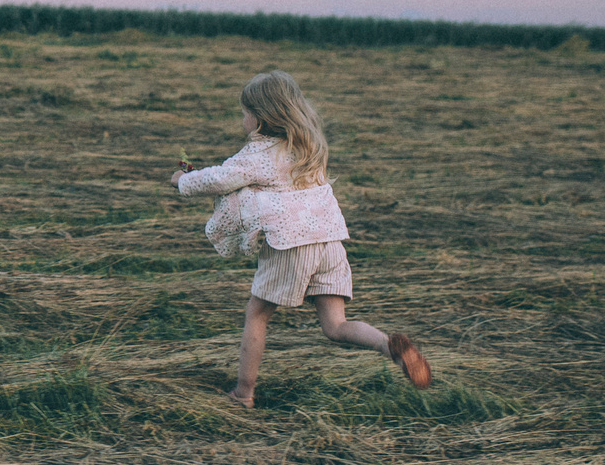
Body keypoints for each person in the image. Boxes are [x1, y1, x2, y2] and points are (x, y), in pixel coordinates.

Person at [171, 70, 431, 408]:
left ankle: (243, 393)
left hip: (291, 244)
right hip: (330, 243)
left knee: (257, 313)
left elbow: (221, 179)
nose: (242, 118)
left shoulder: (259, 152)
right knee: (336, 325)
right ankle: (390, 348)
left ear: (261, 119)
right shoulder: (309, 146)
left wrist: (182, 181)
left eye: (245, 112)